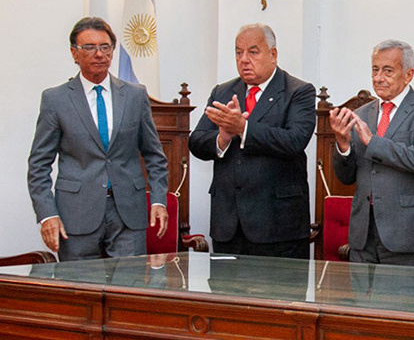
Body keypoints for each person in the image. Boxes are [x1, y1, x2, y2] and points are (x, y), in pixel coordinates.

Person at [28, 16, 169, 261]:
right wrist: (47, 215)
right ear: (74, 53)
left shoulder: (135, 96)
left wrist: (158, 199)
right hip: (76, 214)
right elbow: (38, 166)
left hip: (128, 212)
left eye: (105, 47)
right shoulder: (56, 100)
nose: (99, 54)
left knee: (129, 290)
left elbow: (155, 156)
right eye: (90, 48)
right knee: (81, 291)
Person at [188, 24, 316, 259]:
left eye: (253, 52)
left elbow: (295, 140)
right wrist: (222, 138)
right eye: (239, 52)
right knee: (226, 296)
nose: (244, 59)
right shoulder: (223, 92)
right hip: (228, 226)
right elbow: (196, 141)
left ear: (273, 54)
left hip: (278, 228)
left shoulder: (298, 91)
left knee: (277, 295)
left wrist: (243, 128)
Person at [330, 40, 414, 267]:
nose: (378, 77)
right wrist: (343, 144)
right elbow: (346, 178)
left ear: (408, 74)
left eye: (388, 70)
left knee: (406, 304)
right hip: (363, 237)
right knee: (360, 303)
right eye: (375, 69)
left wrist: (372, 141)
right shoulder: (361, 114)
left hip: (408, 236)